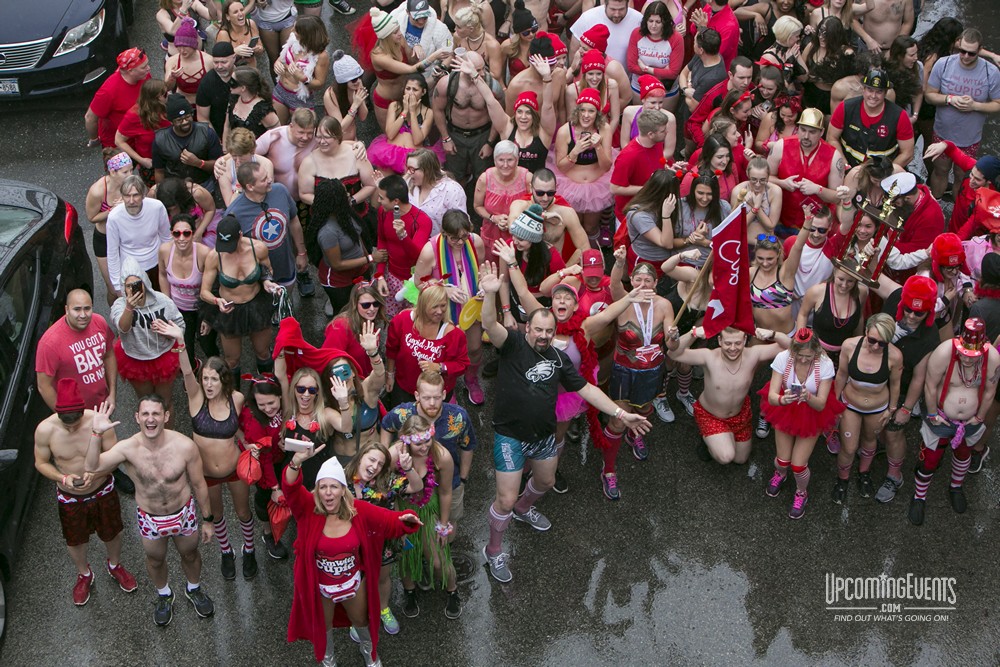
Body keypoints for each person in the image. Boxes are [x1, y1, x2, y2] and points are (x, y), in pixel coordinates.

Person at [477, 261, 650, 582]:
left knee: (543, 482)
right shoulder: (512, 344)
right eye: (537, 330)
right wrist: (490, 295)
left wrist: (621, 413)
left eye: (548, 332)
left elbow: (587, 389)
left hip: (543, 436)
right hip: (510, 437)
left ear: (553, 332)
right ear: (527, 328)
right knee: (505, 498)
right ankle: (494, 551)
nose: (542, 336)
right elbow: (490, 324)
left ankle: (524, 508)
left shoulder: (559, 359)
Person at [84, 394, 215, 627]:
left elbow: (198, 484)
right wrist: (96, 434)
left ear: (166, 416)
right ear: (137, 417)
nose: (150, 419)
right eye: (145, 413)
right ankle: (164, 594)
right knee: (155, 560)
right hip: (150, 518)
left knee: (191, 554)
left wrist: (207, 519)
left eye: (156, 413)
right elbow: (92, 467)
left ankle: (193, 589)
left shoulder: (185, 446)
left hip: (183, 513)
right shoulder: (128, 448)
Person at [282, 452, 420, 666]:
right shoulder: (308, 509)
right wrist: (295, 462)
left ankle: (370, 656)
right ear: (317, 490)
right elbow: (290, 488)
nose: (328, 493)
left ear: (342, 490)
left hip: (353, 585)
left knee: (361, 621)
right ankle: (329, 662)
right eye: (323, 487)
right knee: (323, 627)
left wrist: (405, 519)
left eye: (334, 487)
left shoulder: (358, 510)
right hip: (321, 588)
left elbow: (387, 519)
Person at [159, 320, 257, 581]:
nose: (209, 384)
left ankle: (249, 548)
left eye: (214, 379)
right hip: (207, 475)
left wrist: (248, 443)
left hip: (235, 468)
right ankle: (227, 551)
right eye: (206, 379)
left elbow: (239, 428)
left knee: (243, 512)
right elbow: (187, 371)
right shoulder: (195, 398)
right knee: (217, 515)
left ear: (223, 380)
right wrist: (180, 341)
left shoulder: (236, 399)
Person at [34, 378, 137, 606]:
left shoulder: (98, 421)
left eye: (75, 423)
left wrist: (98, 473)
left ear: (83, 410)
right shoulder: (45, 430)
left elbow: (115, 454)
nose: (71, 428)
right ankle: (84, 574)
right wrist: (62, 477)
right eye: (66, 424)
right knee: (75, 539)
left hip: (102, 488)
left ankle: (114, 564)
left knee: (113, 532)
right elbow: (41, 463)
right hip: (70, 495)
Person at [910, 319, 1000, 525]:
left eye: (973, 356)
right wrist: (932, 414)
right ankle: (919, 497)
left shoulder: (993, 358)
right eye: (965, 354)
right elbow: (930, 386)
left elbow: (989, 391)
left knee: (963, 455)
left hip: (971, 420)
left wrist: (979, 417)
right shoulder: (944, 352)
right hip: (940, 416)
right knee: (929, 459)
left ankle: (956, 487)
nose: (968, 360)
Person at [668, 326, 789, 464]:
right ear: (719, 340)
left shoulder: (754, 354)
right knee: (726, 457)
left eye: (737, 343)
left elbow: (792, 348)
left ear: (744, 340)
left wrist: (774, 334)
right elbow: (673, 354)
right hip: (712, 416)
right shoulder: (709, 356)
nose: (733, 348)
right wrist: (692, 333)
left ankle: (721, 439)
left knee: (740, 459)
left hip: (740, 415)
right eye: (728, 343)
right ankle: (707, 440)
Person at [381, 371, 476, 542]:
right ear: (417, 395)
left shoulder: (458, 416)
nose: (432, 403)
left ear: (444, 394)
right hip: (413, 484)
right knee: (416, 526)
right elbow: (387, 425)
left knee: (449, 523)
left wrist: (463, 478)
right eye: (426, 398)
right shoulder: (402, 414)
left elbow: (467, 445)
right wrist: (387, 454)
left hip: (450, 481)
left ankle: (443, 551)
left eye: (437, 397)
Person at [761, 327, 845, 519]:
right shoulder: (783, 358)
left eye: (808, 356)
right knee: (782, 461)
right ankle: (780, 474)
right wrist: (783, 399)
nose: (803, 360)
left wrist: (808, 397)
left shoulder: (825, 364)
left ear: (816, 351)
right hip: (786, 409)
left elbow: (821, 404)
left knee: (798, 466)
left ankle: (801, 493)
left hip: (812, 413)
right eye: (799, 355)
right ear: (793, 350)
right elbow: (772, 395)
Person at [386, 415, 460, 619]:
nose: (424, 446)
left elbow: (445, 492)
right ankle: (410, 592)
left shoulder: (441, 456)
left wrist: (443, 525)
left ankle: (452, 590)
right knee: (406, 558)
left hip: (428, 511)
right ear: (406, 441)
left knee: (438, 561)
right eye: (418, 443)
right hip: (403, 512)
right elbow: (384, 486)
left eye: (427, 440)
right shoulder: (394, 455)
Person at [413, 210, 488, 404]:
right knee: (445, 352)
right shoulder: (430, 250)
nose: (461, 242)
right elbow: (418, 282)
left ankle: (471, 379)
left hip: (471, 306)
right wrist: (443, 289)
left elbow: (480, 270)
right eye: (455, 239)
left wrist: (482, 286)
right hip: (442, 311)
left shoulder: (475, 241)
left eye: (464, 237)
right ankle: (448, 386)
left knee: (475, 347)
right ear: (444, 233)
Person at [829, 314, 902, 503]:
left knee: (870, 440)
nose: (876, 346)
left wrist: (891, 409)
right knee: (849, 447)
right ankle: (842, 480)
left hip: (878, 408)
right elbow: (841, 375)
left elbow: (895, 384)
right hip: (851, 404)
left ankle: (864, 474)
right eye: (872, 341)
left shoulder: (894, 356)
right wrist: (834, 404)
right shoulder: (849, 346)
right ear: (866, 331)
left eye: (882, 343)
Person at [343, 442, 412, 634]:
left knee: (383, 577)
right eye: (371, 459)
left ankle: (383, 608)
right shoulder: (340, 478)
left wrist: (408, 469)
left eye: (380, 464)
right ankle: (358, 616)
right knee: (356, 581)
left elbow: (416, 486)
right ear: (360, 456)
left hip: (383, 542)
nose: (374, 467)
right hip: (352, 544)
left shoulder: (386, 481)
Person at [200, 215, 281, 377]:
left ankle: (267, 388)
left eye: (231, 244)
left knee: (263, 352)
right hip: (230, 309)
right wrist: (217, 301)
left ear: (240, 235)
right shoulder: (214, 256)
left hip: (256, 304)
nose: (227, 249)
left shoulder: (258, 248)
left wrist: (267, 282)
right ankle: (233, 396)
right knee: (231, 360)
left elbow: (268, 271)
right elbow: (204, 292)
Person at [925, 29, 1000, 198]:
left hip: (970, 138)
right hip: (943, 133)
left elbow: (998, 104)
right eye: (962, 51)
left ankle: (957, 211)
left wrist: (975, 106)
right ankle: (934, 207)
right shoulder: (943, 64)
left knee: (963, 176)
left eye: (971, 53)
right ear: (958, 44)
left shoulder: (991, 72)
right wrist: (949, 99)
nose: (965, 56)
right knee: (940, 171)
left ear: (980, 50)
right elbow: (929, 95)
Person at [228, 161, 310, 292]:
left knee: (285, 303)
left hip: (286, 268)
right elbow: (233, 251)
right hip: (258, 280)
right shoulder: (234, 213)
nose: (270, 180)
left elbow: (294, 220)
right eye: (264, 179)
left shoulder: (281, 191)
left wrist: (301, 252)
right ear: (250, 186)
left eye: (267, 176)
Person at [385, 284, 470, 406]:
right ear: (423, 305)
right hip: (404, 389)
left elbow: (462, 364)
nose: (440, 311)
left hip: (434, 397)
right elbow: (391, 349)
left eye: (443, 305)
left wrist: (440, 367)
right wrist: (390, 374)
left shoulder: (454, 335)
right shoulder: (402, 320)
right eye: (434, 307)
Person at [767, 108, 846, 235]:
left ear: (821, 132)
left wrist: (817, 189)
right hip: (778, 220)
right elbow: (765, 178)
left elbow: (837, 198)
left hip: (813, 229)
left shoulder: (834, 156)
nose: (806, 136)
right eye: (803, 130)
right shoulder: (781, 146)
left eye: (812, 132)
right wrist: (782, 183)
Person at [432, 52, 503, 194]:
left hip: (482, 135)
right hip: (455, 134)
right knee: (454, 175)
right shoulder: (447, 83)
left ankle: (480, 208)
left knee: (484, 176)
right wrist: (446, 138)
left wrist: (489, 143)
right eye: (477, 70)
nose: (482, 73)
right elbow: (437, 110)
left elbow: (499, 117)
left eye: (483, 68)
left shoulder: (492, 86)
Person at [309, 180, 382, 316]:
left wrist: (368, 262)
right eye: (344, 193)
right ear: (335, 201)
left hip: (360, 271)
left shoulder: (345, 213)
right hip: (339, 282)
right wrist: (370, 258)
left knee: (363, 310)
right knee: (345, 315)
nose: (348, 194)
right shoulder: (328, 231)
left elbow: (358, 238)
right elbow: (337, 265)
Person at [554, 88, 614, 246]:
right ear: (577, 111)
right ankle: (574, 257)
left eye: (591, 111)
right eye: (583, 110)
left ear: (597, 113)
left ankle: (593, 256)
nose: (586, 115)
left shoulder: (604, 129)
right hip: (571, 187)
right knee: (574, 225)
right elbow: (561, 167)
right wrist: (575, 151)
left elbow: (607, 166)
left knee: (590, 226)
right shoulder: (564, 131)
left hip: (596, 188)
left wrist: (598, 147)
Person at [238, 374, 289, 559]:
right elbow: (264, 459)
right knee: (265, 499)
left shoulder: (287, 406)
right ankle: (268, 533)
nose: (267, 409)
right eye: (261, 405)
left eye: (271, 403)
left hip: (283, 459)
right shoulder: (254, 421)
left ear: (281, 396)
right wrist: (275, 488)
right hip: (266, 465)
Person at [478, 56, 558, 173]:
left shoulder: (544, 132)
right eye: (519, 112)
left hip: (535, 187)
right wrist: (475, 78)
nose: (523, 117)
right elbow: (490, 101)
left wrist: (547, 77)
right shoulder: (507, 128)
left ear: (534, 116)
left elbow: (548, 105)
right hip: (511, 186)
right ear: (515, 114)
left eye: (528, 112)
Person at [373, 174, 434, 320]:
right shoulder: (383, 211)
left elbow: (416, 256)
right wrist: (380, 276)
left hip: (414, 283)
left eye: (381, 198)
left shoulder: (422, 220)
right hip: (391, 277)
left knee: (414, 322)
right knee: (391, 320)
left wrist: (403, 236)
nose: (378, 201)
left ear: (396, 201)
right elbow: (382, 240)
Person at [826, 68, 914, 168]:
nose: (873, 96)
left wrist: (887, 173)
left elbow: (908, 153)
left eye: (879, 92)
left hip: (884, 174)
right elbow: (831, 138)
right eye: (870, 90)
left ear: (885, 93)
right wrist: (845, 167)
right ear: (863, 89)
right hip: (848, 168)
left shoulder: (899, 116)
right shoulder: (845, 108)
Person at [158, 214, 215, 367]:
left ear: (193, 233)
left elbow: (214, 286)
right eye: (177, 233)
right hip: (180, 309)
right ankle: (192, 373)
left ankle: (217, 373)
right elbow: (163, 274)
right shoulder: (164, 251)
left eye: (186, 233)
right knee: (185, 346)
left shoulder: (204, 253)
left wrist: (208, 317)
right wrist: (167, 303)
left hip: (202, 307)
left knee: (207, 344)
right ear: (172, 234)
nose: (181, 238)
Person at [298, 116, 377, 223]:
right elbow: (304, 194)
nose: (321, 141)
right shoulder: (309, 162)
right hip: (324, 219)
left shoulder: (356, 154)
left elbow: (371, 185)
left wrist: (351, 201)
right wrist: (327, 204)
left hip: (356, 215)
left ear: (338, 136)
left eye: (326, 137)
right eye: (318, 137)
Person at [508, 169, 590, 268]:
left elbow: (584, 248)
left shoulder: (566, 212)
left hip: (553, 269)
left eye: (550, 193)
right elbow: (512, 227)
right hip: (525, 268)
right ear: (531, 188)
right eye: (540, 193)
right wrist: (542, 215)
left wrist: (563, 271)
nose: (545, 198)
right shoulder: (520, 205)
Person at [106, 176, 171, 294]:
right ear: (122, 196)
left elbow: (166, 237)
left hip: (157, 265)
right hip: (131, 270)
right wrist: (117, 285)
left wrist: (169, 265)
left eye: (135, 195)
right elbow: (112, 252)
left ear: (143, 195)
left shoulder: (157, 207)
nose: (131, 201)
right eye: (126, 195)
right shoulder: (114, 217)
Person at [368, 75, 443, 176]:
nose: (410, 93)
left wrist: (412, 112)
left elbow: (417, 139)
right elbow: (390, 134)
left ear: (423, 92)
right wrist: (405, 111)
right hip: (389, 154)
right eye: (408, 89)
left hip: (413, 157)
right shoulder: (394, 106)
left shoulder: (428, 112)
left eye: (415, 89)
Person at [924, 140, 1000, 237]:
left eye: (977, 179)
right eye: (971, 174)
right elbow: (953, 150)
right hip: (954, 222)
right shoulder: (973, 166)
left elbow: (967, 230)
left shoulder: (988, 202)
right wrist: (944, 145)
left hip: (969, 236)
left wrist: (952, 242)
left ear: (989, 181)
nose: (971, 180)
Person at [473, 141, 531, 264]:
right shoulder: (485, 178)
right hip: (492, 235)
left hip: (520, 237)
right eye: (501, 160)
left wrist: (514, 219)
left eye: (510, 160)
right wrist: (493, 218)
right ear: (494, 160)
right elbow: (477, 206)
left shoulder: (527, 178)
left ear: (517, 160)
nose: (505, 165)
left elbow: (534, 207)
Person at [610, 109, 671, 224]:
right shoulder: (628, 156)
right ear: (651, 134)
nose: (667, 132)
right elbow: (614, 188)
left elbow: (655, 164)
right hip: (631, 216)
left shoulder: (656, 143)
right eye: (663, 131)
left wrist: (668, 170)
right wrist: (649, 188)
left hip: (652, 208)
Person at [152, 94, 223, 190]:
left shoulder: (207, 132)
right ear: (171, 121)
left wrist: (198, 163)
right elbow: (159, 171)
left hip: (204, 185)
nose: (185, 122)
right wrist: (162, 192)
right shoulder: (160, 139)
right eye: (179, 120)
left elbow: (219, 164)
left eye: (187, 117)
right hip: (175, 189)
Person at [85, 48, 151, 149]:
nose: (148, 68)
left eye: (147, 64)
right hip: (117, 146)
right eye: (143, 67)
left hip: (141, 137)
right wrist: (94, 139)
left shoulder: (144, 75)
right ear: (130, 70)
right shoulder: (108, 91)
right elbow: (90, 117)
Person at [323, 281, 389, 379]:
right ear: (355, 304)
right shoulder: (340, 327)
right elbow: (329, 360)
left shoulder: (369, 320)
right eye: (366, 305)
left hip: (367, 377)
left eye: (376, 304)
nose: (372, 309)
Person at [272, 16, 331, 124]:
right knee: (276, 129)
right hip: (280, 91)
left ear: (306, 35)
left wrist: (302, 78)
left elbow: (319, 83)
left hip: (300, 99)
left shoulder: (321, 56)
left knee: (302, 134)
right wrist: (277, 64)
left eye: (296, 30)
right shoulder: (293, 39)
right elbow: (281, 58)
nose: (292, 31)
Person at [115, 80, 171, 187]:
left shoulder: (168, 106)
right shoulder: (134, 116)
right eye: (164, 94)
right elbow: (118, 140)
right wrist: (142, 160)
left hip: (172, 157)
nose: (168, 95)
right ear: (154, 99)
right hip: (151, 164)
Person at [626, 1, 684, 101]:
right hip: (639, 88)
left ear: (665, 22)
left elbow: (673, 73)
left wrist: (646, 69)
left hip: (666, 92)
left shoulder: (676, 38)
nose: (653, 25)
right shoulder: (636, 33)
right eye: (650, 21)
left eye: (658, 22)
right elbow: (631, 66)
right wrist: (662, 72)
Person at [406, 149, 468, 236]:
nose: (408, 173)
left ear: (427, 169)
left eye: (412, 169)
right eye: (407, 168)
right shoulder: (408, 182)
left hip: (439, 245)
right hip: (410, 243)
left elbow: (459, 225)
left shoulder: (452, 190)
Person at [570, 0, 642, 68]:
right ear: (605, 3)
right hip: (591, 78)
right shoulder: (587, 17)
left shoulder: (638, 19)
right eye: (613, 9)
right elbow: (574, 50)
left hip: (626, 78)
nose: (617, 14)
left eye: (621, 9)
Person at [217, 128, 276, 207]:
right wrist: (239, 183)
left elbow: (268, 194)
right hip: (239, 210)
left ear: (252, 151)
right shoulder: (224, 169)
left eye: (241, 156)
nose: (238, 161)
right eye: (234, 156)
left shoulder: (265, 164)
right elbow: (230, 206)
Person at [731, 156, 783, 241]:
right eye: (754, 179)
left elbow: (771, 226)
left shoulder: (775, 191)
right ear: (747, 174)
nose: (758, 184)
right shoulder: (738, 191)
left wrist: (755, 206)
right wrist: (755, 208)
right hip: (743, 244)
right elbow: (737, 226)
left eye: (763, 180)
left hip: (766, 244)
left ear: (768, 176)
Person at [224, 67, 280, 145]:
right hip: (234, 150)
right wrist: (225, 150)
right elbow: (227, 126)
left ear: (243, 88)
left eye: (232, 83)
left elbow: (277, 136)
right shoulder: (234, 98)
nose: (229, 84)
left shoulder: (263, 110)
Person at [164, 20, 214, 105]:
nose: (182, 50)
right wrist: (172, 78)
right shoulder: (172, 61)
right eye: (179, 47)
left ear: (194, 44)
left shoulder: (208, 60)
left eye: (185, 46)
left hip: (204, 105)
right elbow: (167, 88)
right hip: (182, 105)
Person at [324, 51, 370, 143]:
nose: (358, 81)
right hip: (336, 141)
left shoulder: (357, 86)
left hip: (352, 138)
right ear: (343, 82)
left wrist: (360, 100)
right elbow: (340, 128)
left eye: (360, 77)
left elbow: (363, 117)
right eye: (353, 80)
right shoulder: (330, 95)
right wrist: (355, 105)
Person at [196, 42, 238, 139]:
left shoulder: (244, 76)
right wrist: (217, 141)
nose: (219, 66)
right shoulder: (207, 83)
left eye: (223, 62)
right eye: (215, 62)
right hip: (217, 130)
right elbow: (203, 118)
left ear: (234, 58)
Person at [453, 4, 504, 82]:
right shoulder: (457, 37)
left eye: (458, 27)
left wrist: (472, 71)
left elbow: (495, 75)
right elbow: (452, 56)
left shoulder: (492, 45)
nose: (455, 29)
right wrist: (442, 67)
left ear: (471, 29)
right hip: (461, 82)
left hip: (486, 84)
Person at [215, 0, 264, 69]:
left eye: (242, 10)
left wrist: (258, 48)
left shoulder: (251, 24)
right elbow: (220, 59)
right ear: (228, 17)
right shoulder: (224, 34)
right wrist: (235, 52)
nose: (240, 14)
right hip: (233, 71)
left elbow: (260, 47)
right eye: (235, 12)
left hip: (252, 69)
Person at [690, 0, 738, 68]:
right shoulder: (709, 7)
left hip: (716, 72)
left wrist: (703, 29)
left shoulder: (729, 26)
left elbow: (712, 55)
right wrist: (697, 24)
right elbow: (692, 30)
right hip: (699, 64)